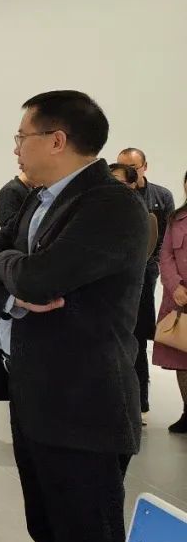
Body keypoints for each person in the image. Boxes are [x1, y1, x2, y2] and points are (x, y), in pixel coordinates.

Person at [0, 91, 149, 542]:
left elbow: (38, 279)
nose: (15, 148)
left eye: (21, 137)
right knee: (50, 534)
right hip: (35, 394)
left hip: (84, 407)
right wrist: (12, 283)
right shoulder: (40, 199)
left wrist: (10, 267)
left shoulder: (111, 205)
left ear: (56, 140)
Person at [117, 147, 176, 421]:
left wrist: (154, 264)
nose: (128, 172)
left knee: (138, 336)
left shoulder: (161, 197)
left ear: (144, 167)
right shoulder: (110, 196)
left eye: (133, 167)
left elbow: (168, 237)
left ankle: (140, 403)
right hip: (115, 277)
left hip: (145, 274)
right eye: (122, 166)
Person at [154, 169, 187, 434]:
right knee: (181, 359)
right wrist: (175, 285)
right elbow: (165, 255)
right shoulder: (176, 218)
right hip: (180, 299)